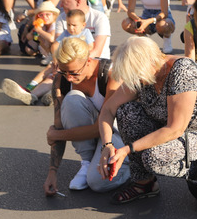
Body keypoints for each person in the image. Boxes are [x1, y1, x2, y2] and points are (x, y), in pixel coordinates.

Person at [97, 37, 197, 205]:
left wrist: (127, 149)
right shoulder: (143, 73)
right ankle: (144, 184)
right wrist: (107, 145)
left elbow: (175, 129)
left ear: (149, 63)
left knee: (154, 157)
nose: (134, 80)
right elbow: (108, 109)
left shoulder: (182, 71)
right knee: (126, 112)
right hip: (174, 126)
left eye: (135, 74)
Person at [43, 37, 131, 196]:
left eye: (74, 72)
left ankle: (132, 167)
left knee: (97, 183)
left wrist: (57, 135)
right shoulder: (60, 79)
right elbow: (59, 126)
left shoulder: (111, 74)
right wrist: (52, 172)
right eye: (64, 72)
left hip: (118, 130)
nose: (68, 78)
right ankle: (87, 162)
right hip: (96, 133)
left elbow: (101, 128)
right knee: (71, 99)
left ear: (89, 61)